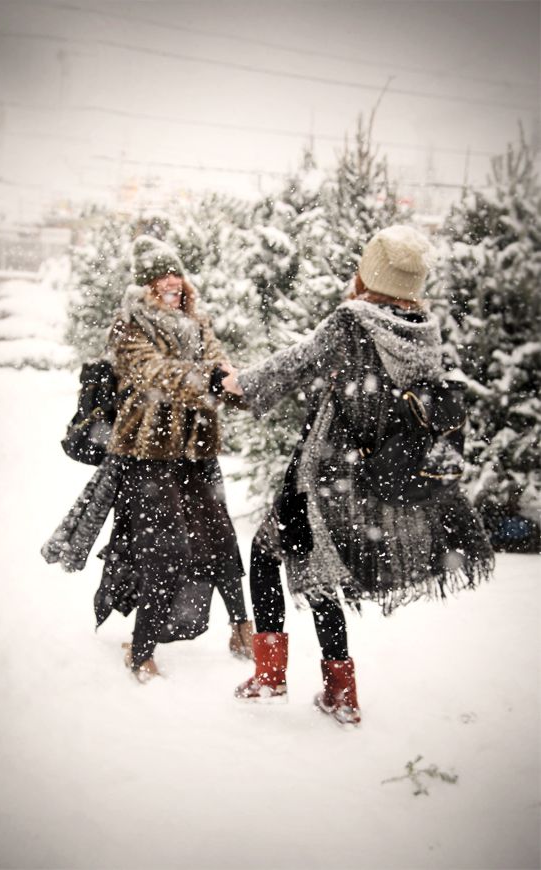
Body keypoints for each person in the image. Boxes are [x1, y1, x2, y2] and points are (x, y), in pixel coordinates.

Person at [221, 225, 494, 725]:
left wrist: (239, 383)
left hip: (325, 473)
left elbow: (295, 364)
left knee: (268, 554)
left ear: (371, 273)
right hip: (370, 479)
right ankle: (339, 692)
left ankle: (274, 677)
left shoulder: (353, 321)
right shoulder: (423, 330)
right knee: (320, 572)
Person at [44, 235, 253, 682]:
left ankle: (241, 628)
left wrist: (235, 382)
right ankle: (141, 652)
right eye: (162, 278)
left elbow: (219, 364)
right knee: (166, 549)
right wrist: (212, 379)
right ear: (146, 286)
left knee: (219, 539)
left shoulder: (197, 321)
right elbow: (154, 373)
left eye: (176, 276)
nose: (172, 283)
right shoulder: (128, 325)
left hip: (195, 451)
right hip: (147, 453)